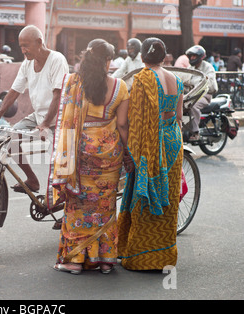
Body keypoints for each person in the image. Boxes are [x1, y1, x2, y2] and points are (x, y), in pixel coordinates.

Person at [47, 39, 130, 275]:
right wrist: (128, 155)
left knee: (78, 205)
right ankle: (104, 261)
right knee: (105, 205)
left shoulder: (75, 84)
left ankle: (74, 260)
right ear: (108, 61)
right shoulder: (120, 86)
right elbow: (122, 125)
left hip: (78, 153)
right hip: (109, 155)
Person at [117, 37, 184, 270]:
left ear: (142, 57)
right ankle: (164, 257)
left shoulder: (143, 79)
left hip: (148, 145)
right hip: (173, 143)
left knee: (143, 197)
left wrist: (129, 151)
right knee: (168, 200)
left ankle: (139, 256)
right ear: (164, 56)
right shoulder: (177, 79)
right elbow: (178, 117)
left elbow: (132, 121)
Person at [0, 25, 69, 194]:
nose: (23, 50)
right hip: (39, 116)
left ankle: (62, 203)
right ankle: (32, 180)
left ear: (39, 42)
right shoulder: (27, 64)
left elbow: (58, 95)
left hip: (59, 119)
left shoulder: (57, 60)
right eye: (21, 46)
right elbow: (14, 92)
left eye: (26, 45)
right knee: (11, 139)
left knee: (59, 166)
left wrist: (46, 124)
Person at [185, 45, 218, 141]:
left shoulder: (208, 67)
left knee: (193, 105)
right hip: (191, 95)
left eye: (194, 56)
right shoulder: (190, 67)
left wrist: (196, 83)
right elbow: (184, 79)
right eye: (191, 56)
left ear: (200, 57)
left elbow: (211, 86)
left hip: (204, 95)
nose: (192, 58)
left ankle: (196, 132)